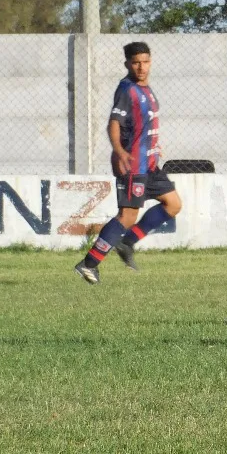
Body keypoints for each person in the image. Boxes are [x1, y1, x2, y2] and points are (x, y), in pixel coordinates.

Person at [74, 42, 182, 284]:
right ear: (127, 64)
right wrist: (120, 151)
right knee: (126, 216)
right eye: (135, 62)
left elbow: (144, 124)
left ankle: (127, 242)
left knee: (173, 204)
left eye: (145, 61)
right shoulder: (127, 89)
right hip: (133, 164)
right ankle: (89, 264)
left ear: (150, 61)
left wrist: (153, 143)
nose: (141, 67)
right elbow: (114, 123)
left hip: (150, 163)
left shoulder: (147, 89)